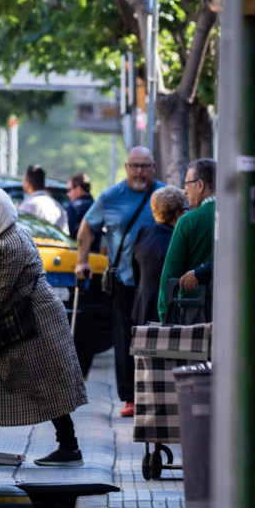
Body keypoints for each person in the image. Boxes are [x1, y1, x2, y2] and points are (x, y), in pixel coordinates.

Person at [0, 188, 89, 466]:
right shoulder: (10, 234)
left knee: (46, 382)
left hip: (36, 320)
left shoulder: (6, 245)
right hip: (29, 316)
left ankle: (68, 448)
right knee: (4, 370)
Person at [76, 146, 165, 418]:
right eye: (135, 166)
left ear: (153, 166)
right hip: (124, 281)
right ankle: (130, 398)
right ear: (126, 167)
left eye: (145, 166)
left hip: (158, 281)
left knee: (158, 337)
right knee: (125, 337)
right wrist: (82, 261)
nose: (140, 171)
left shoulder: (164, 195)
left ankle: (156, 393)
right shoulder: (110, 196)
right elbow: (87, 227)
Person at [156, 158, 216, 322]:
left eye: (187, 184)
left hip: (195, 308)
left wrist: (165, 315)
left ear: (200, 185)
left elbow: (170, 272)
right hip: (234, 305)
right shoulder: (240, 217)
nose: (184, 191)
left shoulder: (188, 221)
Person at [131, 187, 186, 326]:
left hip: (141, 306)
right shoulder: (174, 240)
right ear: (178, 213)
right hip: (163, 311)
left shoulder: (144, 232)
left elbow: (135, 270)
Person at [18, 164, 68, 231]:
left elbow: (21, 233)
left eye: (23, 181)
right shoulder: (58, 206)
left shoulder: (29, 205)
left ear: (27, 184)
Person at [65, 172, 94, 240]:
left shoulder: (74, 208)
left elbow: (68, 233)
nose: (67, 194)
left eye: (69, 190)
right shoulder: (96, 206)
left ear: (78, 189)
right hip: (95, 250)